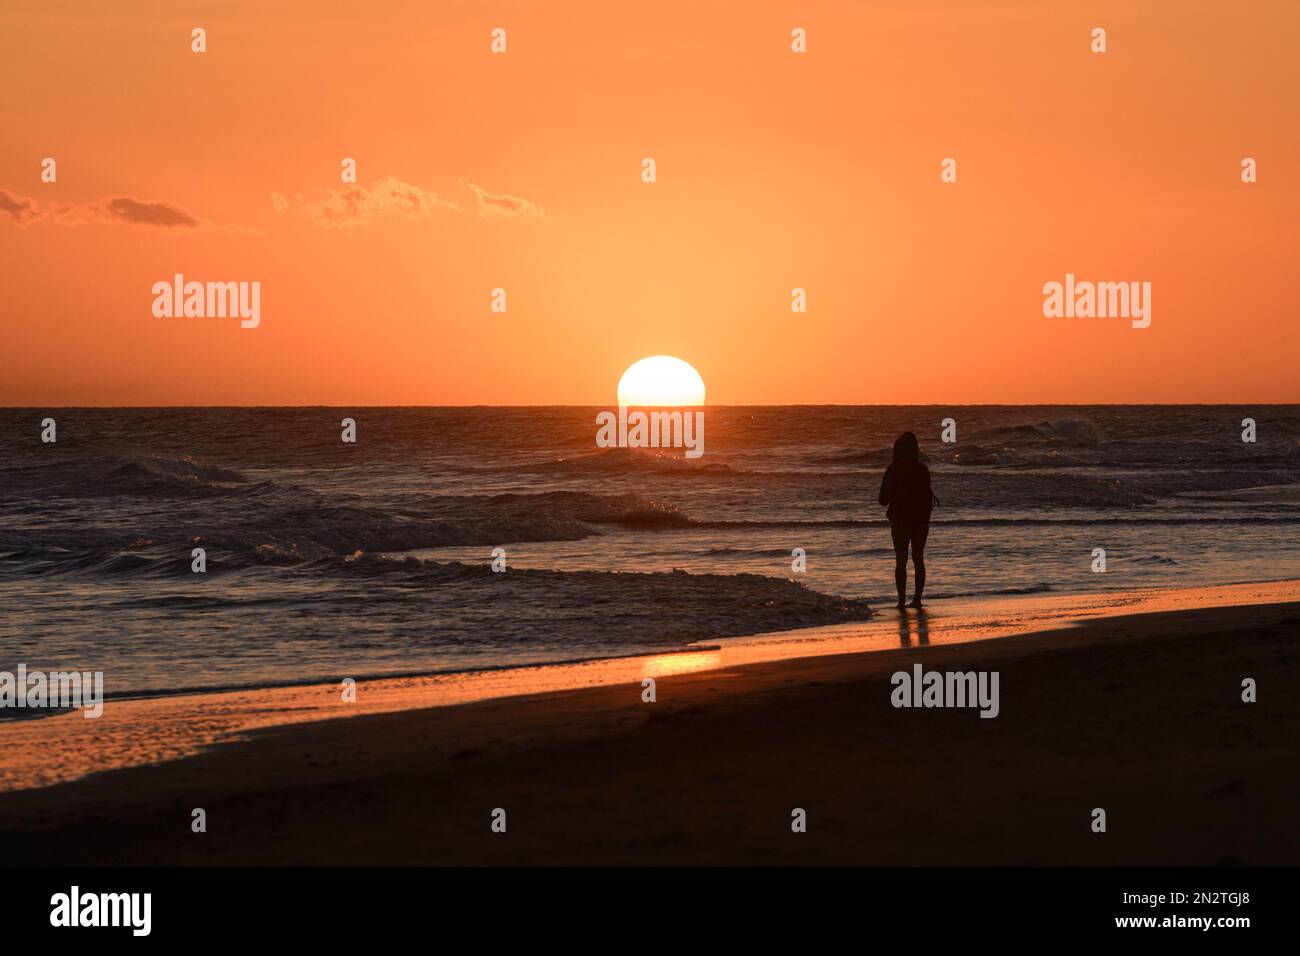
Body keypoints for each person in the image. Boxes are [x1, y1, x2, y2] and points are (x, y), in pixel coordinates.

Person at [878, 431, 937, 609]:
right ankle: (917, 600)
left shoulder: (893, 469)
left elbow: (882, 500)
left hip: (900, 521)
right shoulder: (922, 469)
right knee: (918, 559)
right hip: (921, 522)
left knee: (901, 561)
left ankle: (901, 601)